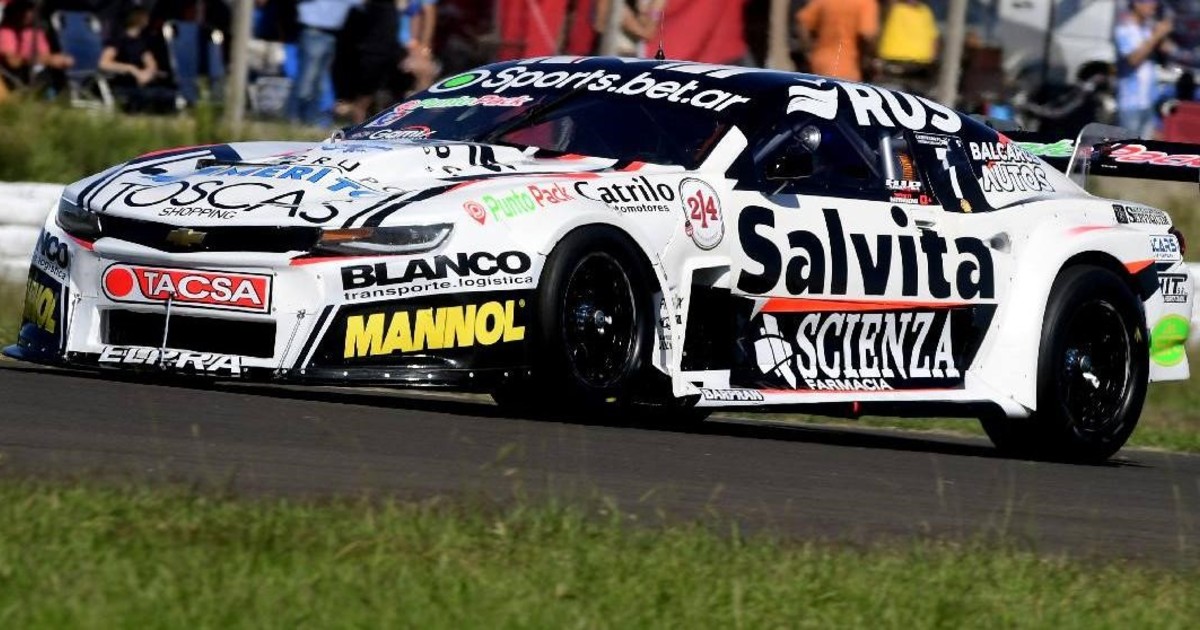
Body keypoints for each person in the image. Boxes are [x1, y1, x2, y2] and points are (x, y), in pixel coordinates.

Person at [288, 0, 362, 125]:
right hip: (314, 32)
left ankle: (310, 119)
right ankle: (294, 117)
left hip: (330, 35)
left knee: (320, 82)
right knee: (307, 80)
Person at [1114, 0, 1175, 137]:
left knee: (1146, 146)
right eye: (1149, 1)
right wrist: (1156, 35)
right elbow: (1133, 59)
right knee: (1128, 146)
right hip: (1130, 104)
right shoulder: (1124, 29)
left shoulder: (1147, 28)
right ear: (1136, 3)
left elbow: (1168, 49)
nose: (1154, 5)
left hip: (1149, 102)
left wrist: (1163, 34)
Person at [98, 6, 174, 112]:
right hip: (122, 85)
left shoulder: (140, 42)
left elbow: (151, 62)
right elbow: (104, 63)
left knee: (168, 95)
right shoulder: (118, 41)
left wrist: (148, 74)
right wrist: (131, 69)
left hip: (139, 85)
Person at [795, 0, 879, 81]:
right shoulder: (866, 3)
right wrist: (868, 59)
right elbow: (868, 36)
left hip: (820, 64)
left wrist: (808, 51)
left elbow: (802, 22)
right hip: (848, 68)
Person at [0, 0, 74, 90]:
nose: (28, 14)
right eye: (23, 9)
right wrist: (48, 60)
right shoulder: (6, 32)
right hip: (17, 79)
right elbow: (13, 62)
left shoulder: (35, 31)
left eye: (31, 10)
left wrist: (57, 60)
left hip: (40, 75)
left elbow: (45, 54)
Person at [875, 0, 937, 94]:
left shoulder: (925, 11)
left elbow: (933, 38)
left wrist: (932, 61)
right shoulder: (894, 7)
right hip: (894, 66)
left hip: (920, 69)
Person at [396, 0, 438, 94]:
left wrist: (423, 47)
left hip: (409, 42)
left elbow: (428, 14)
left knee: (424, 72)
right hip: (385, 39)